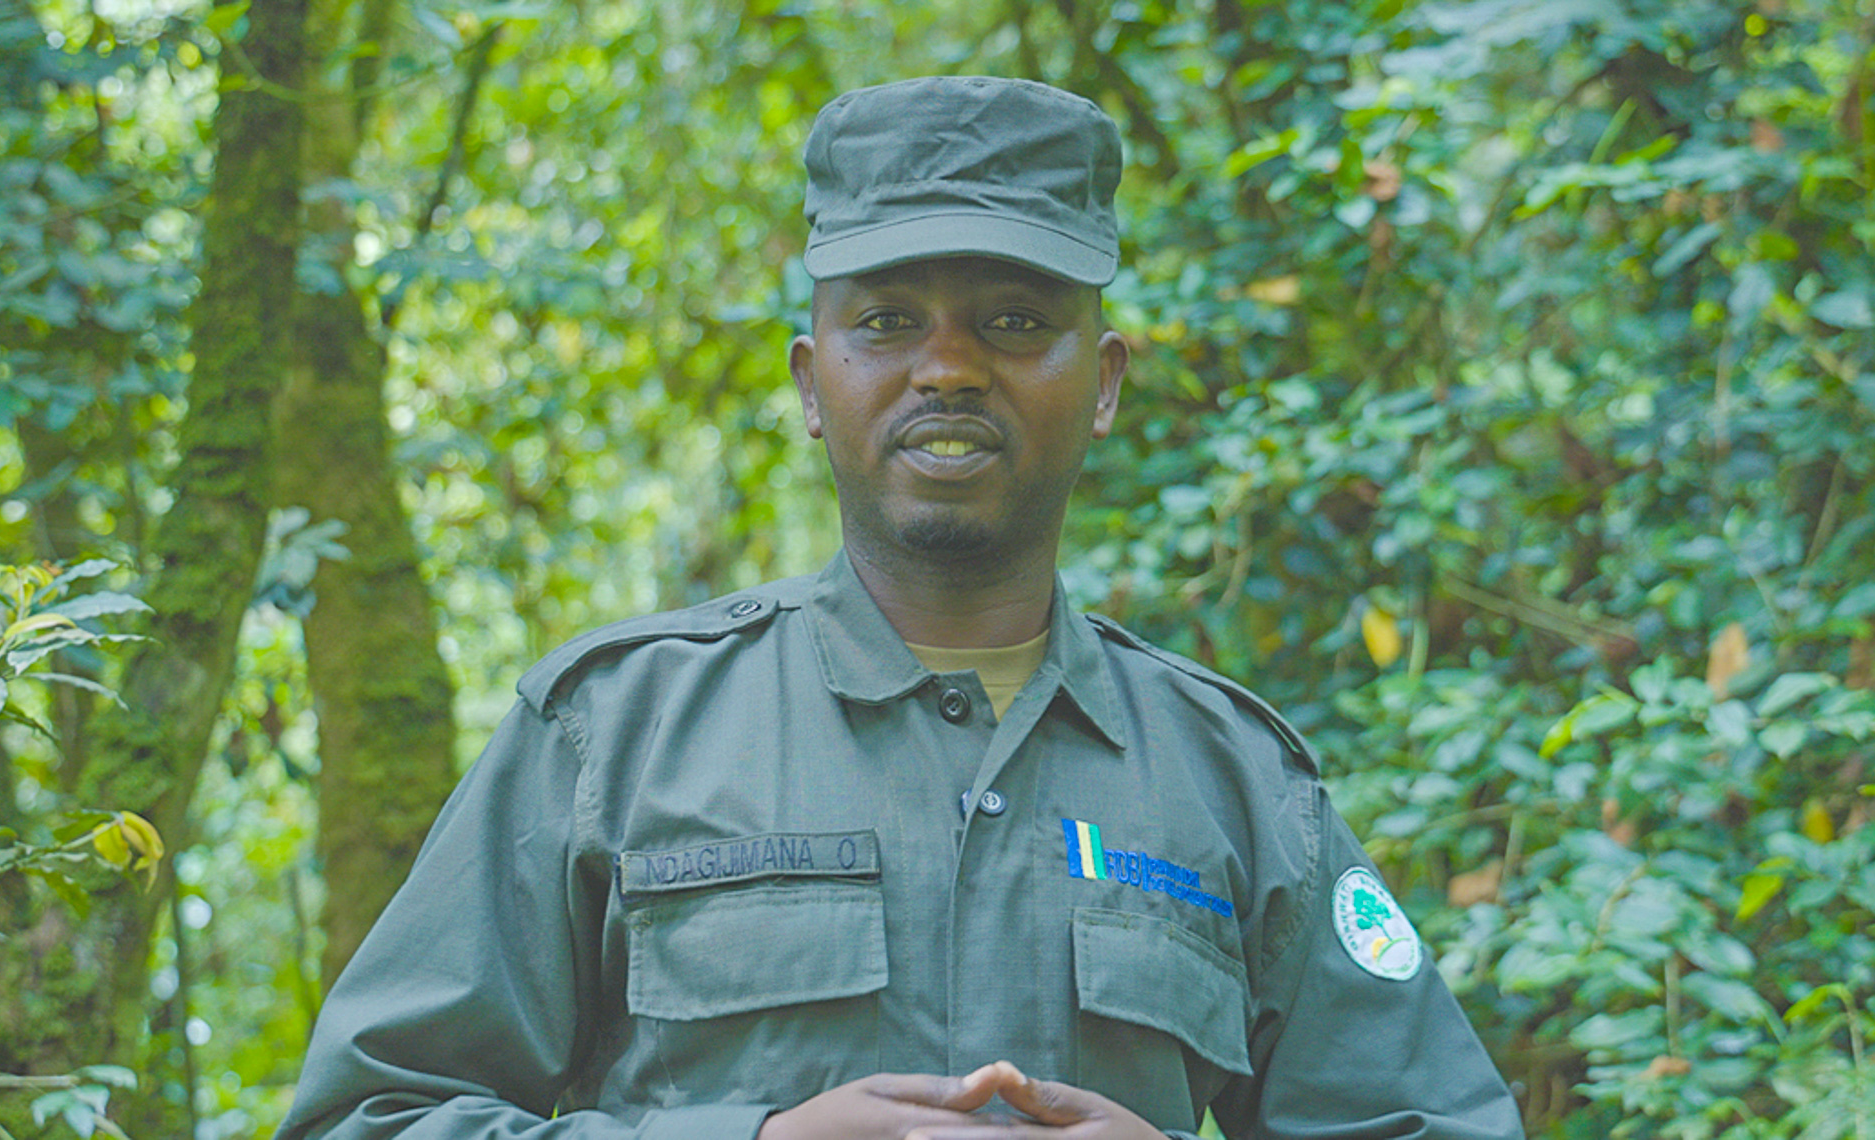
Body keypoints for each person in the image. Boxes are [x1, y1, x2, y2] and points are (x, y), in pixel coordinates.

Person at [276, 76, 1525, 1140]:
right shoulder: (611, 736)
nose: (946, 368)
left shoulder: (1236, 785)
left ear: (1099, 384)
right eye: (885, 321)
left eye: (1013, 321)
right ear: (814, 383)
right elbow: (367, 1116)